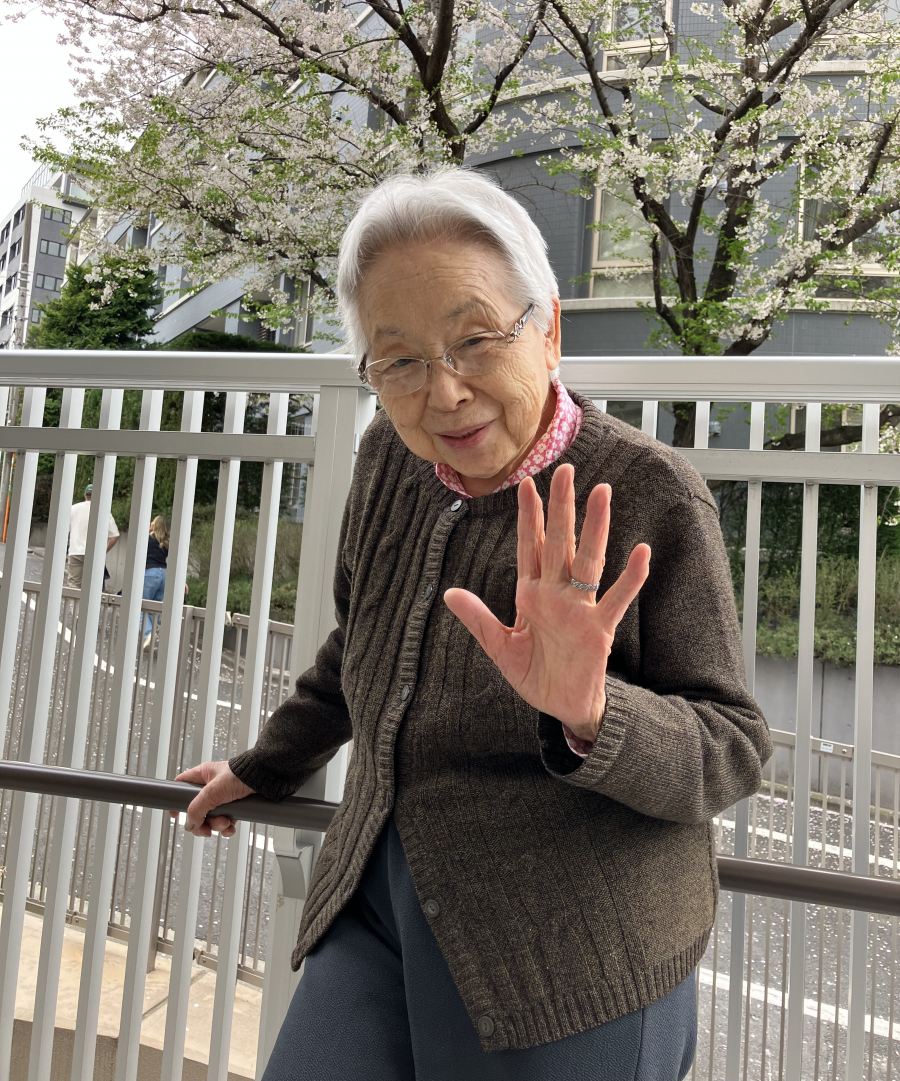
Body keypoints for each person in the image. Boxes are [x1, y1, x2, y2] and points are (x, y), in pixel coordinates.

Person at [174, 168, 773, 1081]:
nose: (444, 392)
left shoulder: (650, 493)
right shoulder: (388, 455)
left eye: (475, 340)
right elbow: (361, 645)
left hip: (571, 949)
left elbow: (730, 749)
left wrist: (591, 712)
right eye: (400, 360)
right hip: (381, 894)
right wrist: (264, 766)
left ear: (549, 330)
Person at [66, 483, 118, 591]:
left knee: (74, 586)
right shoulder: (103, 511)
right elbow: (115, 535)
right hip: (95, 554)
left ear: (85, 495)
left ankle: (75, 602)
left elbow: (66, 529)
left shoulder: (73, 509)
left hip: (75, 552)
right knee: (93, 588)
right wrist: (104, 551)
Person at [142, 514, 170, 647]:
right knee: (154, 608)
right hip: (163, 575)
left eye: (152, 521)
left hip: (150, 573)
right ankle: (149, 636)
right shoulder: (166, 543)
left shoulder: (147, 539)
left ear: (155, 525)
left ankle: (148, 634)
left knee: (139, 606)